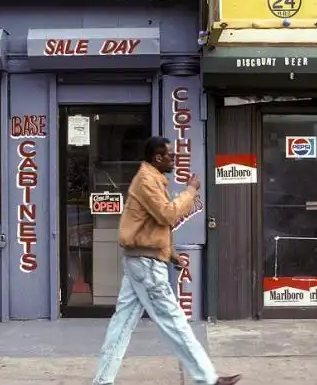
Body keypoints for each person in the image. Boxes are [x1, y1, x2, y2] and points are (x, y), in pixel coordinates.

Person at [93, 136, 241, 385]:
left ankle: (102, 380)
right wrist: (191, 192)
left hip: (141, 261)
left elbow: (150, 225)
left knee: (122, 324)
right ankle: (206, 378)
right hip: (146, 266)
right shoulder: (147, 180)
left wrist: (171, 255)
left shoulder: (151, 179)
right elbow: (167, 215)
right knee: (174, 321)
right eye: (170, 155)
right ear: (157, 158)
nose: (174, 159)